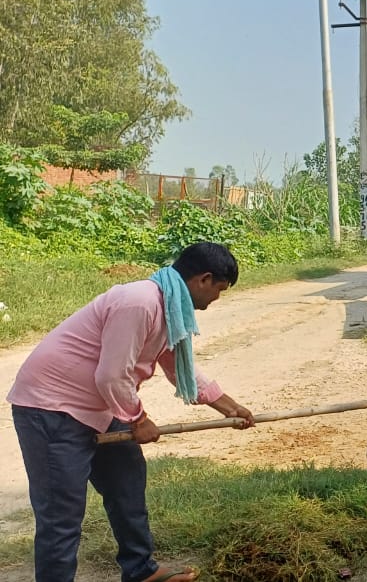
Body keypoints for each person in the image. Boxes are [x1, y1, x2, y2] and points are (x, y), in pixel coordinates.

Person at [8, 242, 256, 582]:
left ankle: (140, 570)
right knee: (60, 516)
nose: (216, 301)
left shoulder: (169, 310)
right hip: (51, 408)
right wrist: (138, 419)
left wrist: (232, 409)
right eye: (219, 291)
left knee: (127, 482)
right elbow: (111, 375)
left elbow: (180, 370)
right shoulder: (139, 303)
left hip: (98, 406)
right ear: (204, 279)